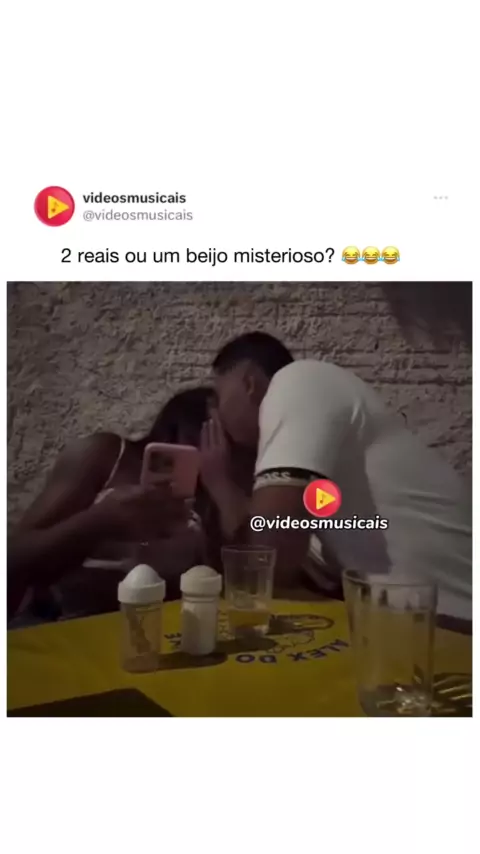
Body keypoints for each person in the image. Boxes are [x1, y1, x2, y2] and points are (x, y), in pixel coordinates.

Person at [206, 331, 472, 623]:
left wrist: (221, 485)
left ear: (249, 383)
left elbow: (268, 561)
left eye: (218, 397)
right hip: (416, 621)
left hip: (453, 625)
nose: (216, 414)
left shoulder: (299, 381)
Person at [8, 387, 237, 622]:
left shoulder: (212, 492)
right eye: (211, 434)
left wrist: (222, 490)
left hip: (157, 630)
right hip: (65, 625)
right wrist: (98, 522)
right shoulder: (106, 456)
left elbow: (230, 581)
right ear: (182, 425)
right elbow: (13, 557)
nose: (217, 448)